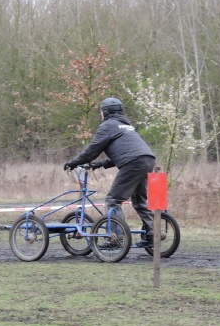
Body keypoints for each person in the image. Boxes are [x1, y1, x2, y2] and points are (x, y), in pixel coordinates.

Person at [63, 97, 156, 246]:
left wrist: (73, 162)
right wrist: (99, 164)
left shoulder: (107, 126)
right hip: (148, 159)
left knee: (113, 200)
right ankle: (152, 234)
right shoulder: (126, 126)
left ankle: (115, 238)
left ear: (105, 113)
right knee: (139, 201)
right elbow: (124, 154)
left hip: (134, 162)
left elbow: (91, 151)